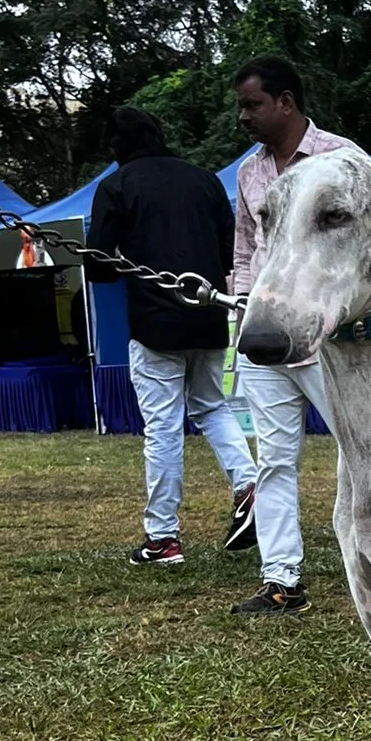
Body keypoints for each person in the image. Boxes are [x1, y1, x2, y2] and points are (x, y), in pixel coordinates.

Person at [87, 107, 257, 568]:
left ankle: (163, 538)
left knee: (162, 427)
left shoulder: (116, 186)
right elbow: (229, 252)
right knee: (213, 408)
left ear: (117, 147)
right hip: (207, 316)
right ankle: (249, 486)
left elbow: (99, 267)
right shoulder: (204, 180)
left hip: (154, 324)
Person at [230, 55, 359, 617]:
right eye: (241, 106)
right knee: (274, 459)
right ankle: (281, 580)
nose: (243, 117)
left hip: (325, 339)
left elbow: (370, 247)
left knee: (363, 451)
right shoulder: (248, 174)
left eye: (252, 105)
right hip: (262, 338)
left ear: (285, 101)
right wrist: (241, 303)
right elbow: (244, 250)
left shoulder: (344, 159)